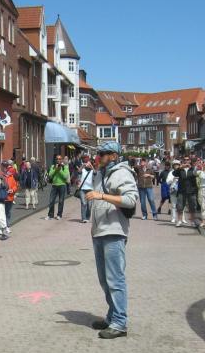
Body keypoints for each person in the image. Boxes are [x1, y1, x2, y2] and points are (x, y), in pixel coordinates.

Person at [83, 141, 138, 339]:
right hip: (99, 231)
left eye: (104, 153)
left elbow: (131, 200)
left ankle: (120, 322)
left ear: (114, 155)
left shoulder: (122, 173)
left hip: (114, 231)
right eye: (99, 153)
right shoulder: (100, 174)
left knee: (115, 279)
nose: (99, 156)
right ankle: (112, 316)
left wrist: (102, 196)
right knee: (104, 279)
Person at [173, 156, 200, 229]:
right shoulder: (181, 169)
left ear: (190, 161)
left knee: (192, 207)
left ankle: (192, 221)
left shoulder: (193, 169)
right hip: (182, 190)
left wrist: (193, 167)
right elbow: (174, 173)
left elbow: (197, 173)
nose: (186, 161)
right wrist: (180, 167)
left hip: (191, 191)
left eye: (187, 160)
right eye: (184, 160)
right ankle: (179, 220)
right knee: (180, 206)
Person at [45, 155, 70, 220]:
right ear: (55, 160)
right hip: (54, 185)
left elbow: (65, 176)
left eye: (60, 159)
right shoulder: (53, 166)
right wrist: (56, 169)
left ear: (61, 160)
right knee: (51, 200)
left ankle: (59, 215)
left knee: (61, 201)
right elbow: (50, 175)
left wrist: (60, 170)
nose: (58, 160)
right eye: (57, 159)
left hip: (62, 185)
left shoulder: (65, 167)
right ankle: (50, 215)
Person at [78, 157, 95, 223]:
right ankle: (83, 218)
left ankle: (87, 217)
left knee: (89, 205)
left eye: (89, 163)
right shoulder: (83, 170)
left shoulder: (92, 171)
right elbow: (79, 171)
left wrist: (92, 167)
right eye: (87, 163)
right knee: (83, 203)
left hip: (90, 189)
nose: (88, 164)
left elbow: (95, 173)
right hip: (82, 189)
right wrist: (83, 165)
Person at [3, 161, 17, 231]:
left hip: (10, 197)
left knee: (8, 212)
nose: (5, 168)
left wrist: (12, 190)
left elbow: (15, 186)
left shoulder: (11, 176)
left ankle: (7, 226)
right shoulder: (1, 176)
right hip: (2, 198)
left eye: (6, 167)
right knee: (2, 213)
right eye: (4, 167)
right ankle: (2, 227)